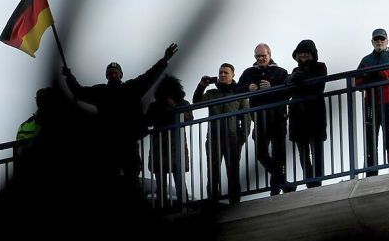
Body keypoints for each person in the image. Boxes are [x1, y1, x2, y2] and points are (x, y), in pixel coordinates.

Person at [62, 43, 178, 182]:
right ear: (107, 76)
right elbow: (79, 92)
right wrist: (69, 77)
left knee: (131, 176)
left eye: (116, 72)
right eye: (111, 73)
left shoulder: (131, 88)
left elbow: (150, 76)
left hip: (128, 141)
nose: (113, 74)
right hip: (109, 143)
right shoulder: (100, 91)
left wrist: (164, 60)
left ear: (121, 74)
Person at [193, 63, 250, 204]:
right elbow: (196, 102)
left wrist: (242, 139)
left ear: (233, 75)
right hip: (213, 139)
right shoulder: (212, 93)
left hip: (232, 139)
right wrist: (202, 85)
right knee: (213, 174)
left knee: (233, 174)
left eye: (226, 72)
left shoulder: (239, 92)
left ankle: (234, 204)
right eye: (220, 73)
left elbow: (246, 118)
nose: (223, 75)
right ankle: (213, 204)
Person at [237, 43, 290, 195]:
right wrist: (248, 88)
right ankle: (283, 182)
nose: (260, 59)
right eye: (257, 56)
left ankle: (275, 190)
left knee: (279, 155)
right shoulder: (249, 72)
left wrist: (273, 86)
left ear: (269, 55)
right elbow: (236, 89)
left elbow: (287, 92)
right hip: (259, 120)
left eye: (263, 56)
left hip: (278, 118)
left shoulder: (281, 72)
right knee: (261, 153)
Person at [355, 28, 389, 176]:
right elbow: (356, 81)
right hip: (371, 103)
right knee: (370, 138)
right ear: (372, 42)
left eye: (382, 39)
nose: (379, 42)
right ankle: (371, 173)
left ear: (387, 41)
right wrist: (367, 77)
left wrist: (381, 73)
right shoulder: (366, 60)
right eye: (376, 39)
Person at [286, 40, 328, 188]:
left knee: (317, 152)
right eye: (300, 52)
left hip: (315, 115)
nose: (303, 55)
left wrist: (299, 80)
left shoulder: (320, 67)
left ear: (312, 54)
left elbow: (318, 86)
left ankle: (316, 182)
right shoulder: (294, 71)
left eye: (306, 52)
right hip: (297, 117)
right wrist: (298, 80)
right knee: (303, 153)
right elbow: (288, 88)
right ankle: (309, 182)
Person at [145, 75, 191, 207]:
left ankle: (184, 206)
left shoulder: (183, 103)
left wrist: (174, 107)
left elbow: (189, 118)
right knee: (161, 186)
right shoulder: (155, 106)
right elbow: (148, 120)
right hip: (160, 149)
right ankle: (164, 208)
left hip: (175, 149)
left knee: (179, 183)